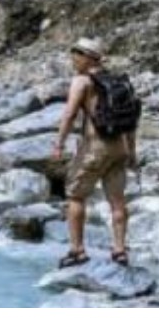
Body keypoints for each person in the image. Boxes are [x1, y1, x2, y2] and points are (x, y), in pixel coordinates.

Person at [50, 38, 137, 268]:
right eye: (73, 53)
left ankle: (77, 250)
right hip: (119, 147)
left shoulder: (82, 82)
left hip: (95, 147)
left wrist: (59, 143)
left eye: (77, 54)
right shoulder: (119, 81)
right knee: (117, 201)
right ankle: (119, 250)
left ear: (89, 58)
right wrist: (131, 150)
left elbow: (69, 115)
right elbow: (131, 119)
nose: (73, 58)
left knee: (76, 196)